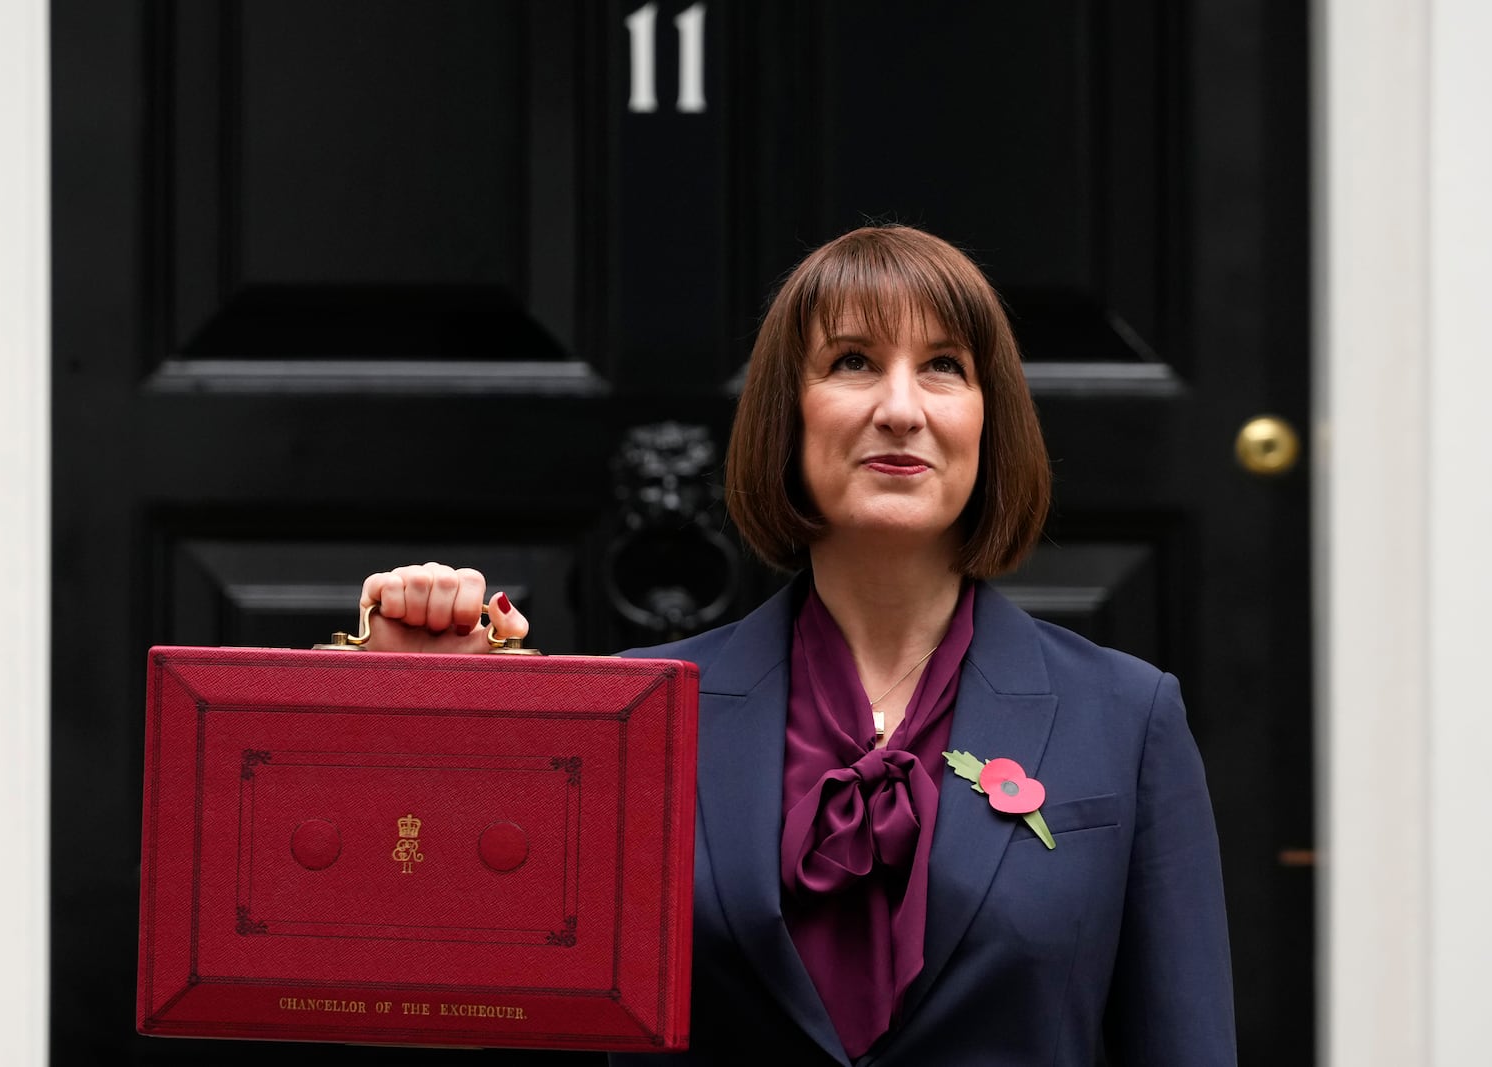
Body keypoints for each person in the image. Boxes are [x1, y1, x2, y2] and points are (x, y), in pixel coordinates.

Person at [361, 225, 1237, 1065]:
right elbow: (469, 998)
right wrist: (426, 722)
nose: (900, 407)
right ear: (790, 414)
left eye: (943, 367)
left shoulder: (1127, 716)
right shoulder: (633, 714)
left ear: (989, 421)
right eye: (852, 361)